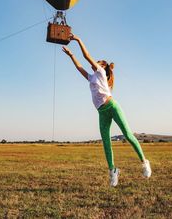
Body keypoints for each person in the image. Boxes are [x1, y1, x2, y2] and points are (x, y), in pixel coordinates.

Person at [62, 34, 152, 187]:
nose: (94, 63)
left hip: (112, 107)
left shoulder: (101, 73)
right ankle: (113, 171)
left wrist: (78, 40)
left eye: (98, 62)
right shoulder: (91, 78)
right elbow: (79, 67)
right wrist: (71, 55)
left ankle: (144, 162)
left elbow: (86, 55)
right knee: (106, 142)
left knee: (128, 135)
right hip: (101, 112)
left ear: (102, 66)